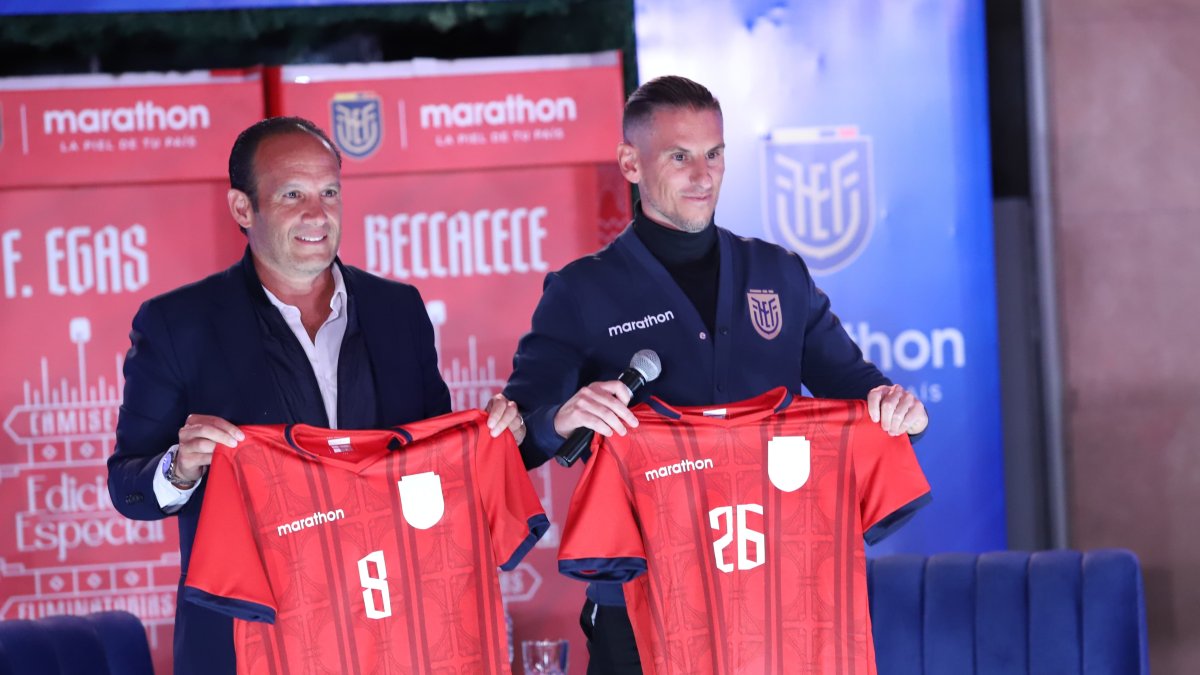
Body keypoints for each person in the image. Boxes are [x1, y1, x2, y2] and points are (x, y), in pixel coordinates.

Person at [502, 76, 929, 674]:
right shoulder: (581, 290)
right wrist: (561, 417)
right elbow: (515, 439)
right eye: (680, 156)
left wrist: (900, 412)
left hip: (779, 597)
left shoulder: (778, 272)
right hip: (643, 600)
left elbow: (861, 392)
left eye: (715, 153)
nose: (702, 175)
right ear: (631, 162)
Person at [106, 116, 524, 675]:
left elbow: (432, 466)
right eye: (292, 194)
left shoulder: (397, 311)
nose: (316, 214)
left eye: (329, 192)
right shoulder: (176, 324)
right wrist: (179, 469)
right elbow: (126, 486)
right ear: (242, 209)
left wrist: (488, 444)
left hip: (396, 632)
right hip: (252, 636)